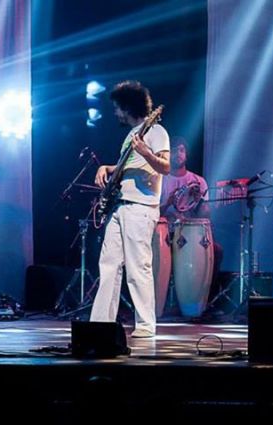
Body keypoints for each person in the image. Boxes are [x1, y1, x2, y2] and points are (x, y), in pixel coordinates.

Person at [91, 80, 170, 338]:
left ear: (127, 107)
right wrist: (107, 167)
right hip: (120, 206)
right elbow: (128, 166)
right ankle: (100, 324)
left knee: (138, 268)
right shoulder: (131, 135)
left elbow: (165, 166)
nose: (115, 113)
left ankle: (146, 325)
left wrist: (146, 152)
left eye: (117, 107)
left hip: (140, 207)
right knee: (109, 266)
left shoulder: (156, 131)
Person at [153, 137, 223, 317]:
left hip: (190, 234)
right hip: (167, 233)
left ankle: (202, 302)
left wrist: (198, 200)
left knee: (216, 251)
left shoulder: (198, 181)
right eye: (174, 150)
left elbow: (206, 215)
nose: (178, 154)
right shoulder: (160, 180)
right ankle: (159, 303)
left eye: (181, 150)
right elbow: (152, 212)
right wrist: (168, 203)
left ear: (187, 154)